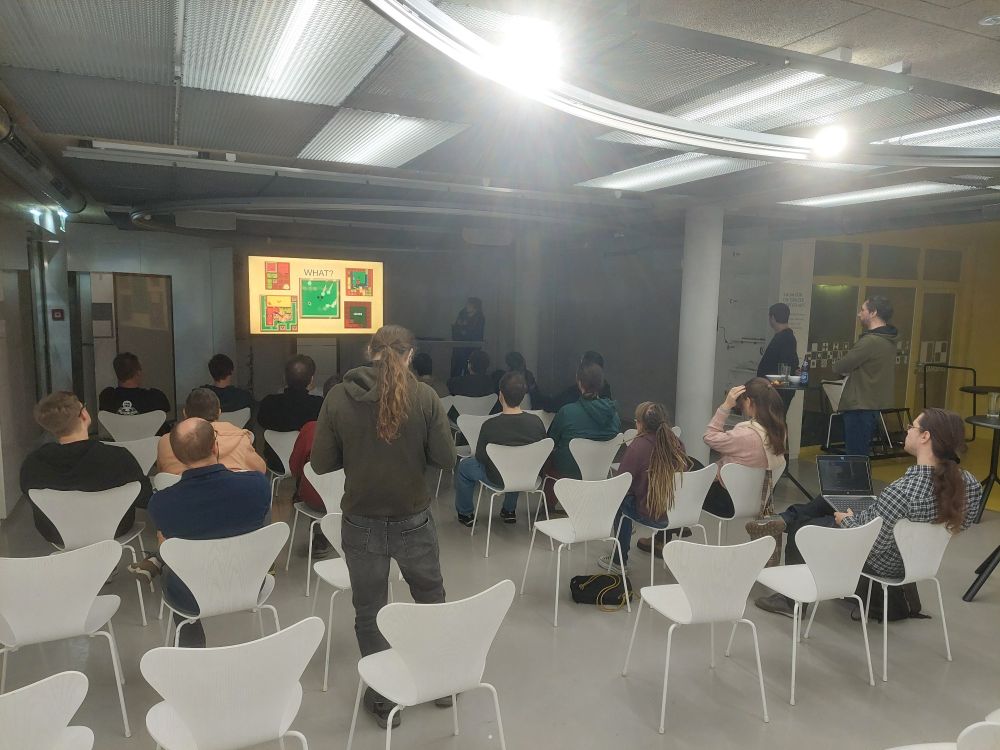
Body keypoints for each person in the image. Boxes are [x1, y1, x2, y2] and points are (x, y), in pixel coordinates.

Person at [310, 325, 455, 728]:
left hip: (361, 522)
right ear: (409, 356)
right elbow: (446, 458)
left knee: (369, 611)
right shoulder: (425, 397)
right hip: (413, 519)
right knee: (430, 597)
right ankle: (440, 684)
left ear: (369, 351)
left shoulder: (339, 396)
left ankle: (382, 698)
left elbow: (320, 463)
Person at [753, 408, 983, 617]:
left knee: (804, 528)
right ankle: (784, 519)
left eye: (912, 427)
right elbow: (963, 522)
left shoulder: (902, 491)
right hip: (919, 560)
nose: (908, 431)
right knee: (828, 502)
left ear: (926, 436)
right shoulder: (970, 484)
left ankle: (792, 602)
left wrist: (847, 521)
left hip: (884, 563)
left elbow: (870, 544)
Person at [147, 418, 271, 647]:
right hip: (250, 582)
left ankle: (193, 644)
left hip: (190, 595)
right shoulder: (257, 485)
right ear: (215, 446)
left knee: (169, 559)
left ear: (176, 455)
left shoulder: (161, 504)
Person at [20, 391, 152, 546]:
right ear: (83, 415)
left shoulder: (33, 464)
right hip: (115, 529)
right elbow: (145, 497)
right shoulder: (116, 457)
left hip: (58, 534)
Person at [599, 402, 694, 574]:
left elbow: (622, 482)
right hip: (677, 512)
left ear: (640, 423)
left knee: (620, 502)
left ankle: (619, 561)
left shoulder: (638, 446)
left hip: (652, 514)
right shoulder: (676, 443)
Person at [453, 371, 547, 527]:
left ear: (500, 395)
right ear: (523, 396)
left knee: (464, 466)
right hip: (527, 476)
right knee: (519, 462)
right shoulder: (536, 422)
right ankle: (509, 510)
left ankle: (465, 513)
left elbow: (481, 458)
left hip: (496, 478)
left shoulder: (490, 425)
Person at [702, 377, 787, 519]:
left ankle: (671, 528)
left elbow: (709, 437)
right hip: (758, 500)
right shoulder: (779, 431)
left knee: (685, 470)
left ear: (748, 401)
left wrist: (726, 406)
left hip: (728, 503)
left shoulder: (745, 434)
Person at [544, 361, 621, 507]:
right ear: (601, 384)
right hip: (600, 469)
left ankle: (549, 505)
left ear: (579, 383)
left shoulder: (567, 411)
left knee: (548, 456)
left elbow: (550, 441)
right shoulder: (614, 415)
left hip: (569, 469)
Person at [287, 374, 345, 560]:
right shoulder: (363, 430)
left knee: (316, 485)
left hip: (315, 500)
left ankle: (320, 538)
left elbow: (295, 468)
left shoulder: (310, 429)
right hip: (352, 500)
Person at [832, 295, 898, 457]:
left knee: (855, 455)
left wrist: (843, 368)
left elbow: (841, 366)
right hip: (872, 402)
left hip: (860, 404)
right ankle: (858, 481)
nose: (859, 314)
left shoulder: (870, 341)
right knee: (860, 452)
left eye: (862, 310)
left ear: (873, 312)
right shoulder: (888, 339)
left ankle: (855, 482)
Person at [156, 388, 264, 475]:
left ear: (185, 413)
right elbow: (260, 469)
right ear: (219, 412)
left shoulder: (165, 442)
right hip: (228, 499)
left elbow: (162, 474)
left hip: (180, 500)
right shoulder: (240, 438)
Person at [257, 354, 324, 472]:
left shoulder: (269, 403)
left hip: (275, 461)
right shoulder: (319, 405)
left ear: (284, 378)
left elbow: (261, 421)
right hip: (308, 462)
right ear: (311, 380)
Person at [98, 352, 171, 432]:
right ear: (138, 373)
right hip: (149, 442)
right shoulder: (155, 397)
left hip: (119, 441)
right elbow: (166, 410)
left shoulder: (107, 397)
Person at [535, 350, 613, 413]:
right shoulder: (610, 409)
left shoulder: (572, 398)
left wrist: (533, 388)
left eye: (582, 367)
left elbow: (551, 406)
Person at [757, 302, 799, 412]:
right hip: (776, 391)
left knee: (775, 423)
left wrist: (769, 386)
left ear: (773, 318)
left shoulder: (785, 339)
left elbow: (785, 370)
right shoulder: (786, 337)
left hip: (777, 393)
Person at [450, 296, 485, 377]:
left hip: (472, 347)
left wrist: (464, 329)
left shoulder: (480, 317)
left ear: (475, 306)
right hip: (459, 347)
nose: (467, 306)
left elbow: (475, 332)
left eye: (469, 304)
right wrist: (460, 328)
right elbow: (457, 327)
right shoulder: (462, 313)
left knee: (470, 367)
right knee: (457, 365)